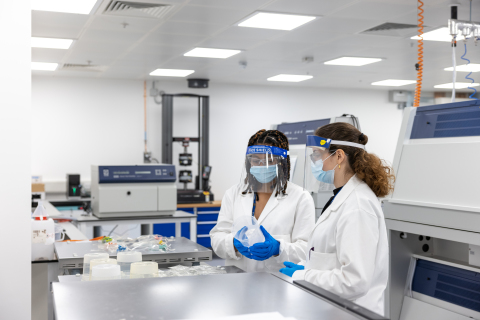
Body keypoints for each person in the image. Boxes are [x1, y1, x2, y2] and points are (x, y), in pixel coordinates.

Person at [280, 122, 394, 316]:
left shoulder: (357, 206)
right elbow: (334, 257)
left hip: (352, 312)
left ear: (339, 156)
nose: (314, 161)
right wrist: (307, 266)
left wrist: (303, 275)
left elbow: (354, 281)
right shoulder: (342, 196)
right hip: (333, 308)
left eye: (317, 154)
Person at [210, 129, 315, 272]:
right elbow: (217, 238)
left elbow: (307, 248)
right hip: (237, 280)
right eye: (255, 160)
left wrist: (278, 248)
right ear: (249, 162)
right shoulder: (234, 193)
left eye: (269, 161)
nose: (261, 166)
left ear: (281, 162)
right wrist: (233, 243)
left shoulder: (300, 197)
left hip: (278, 283)